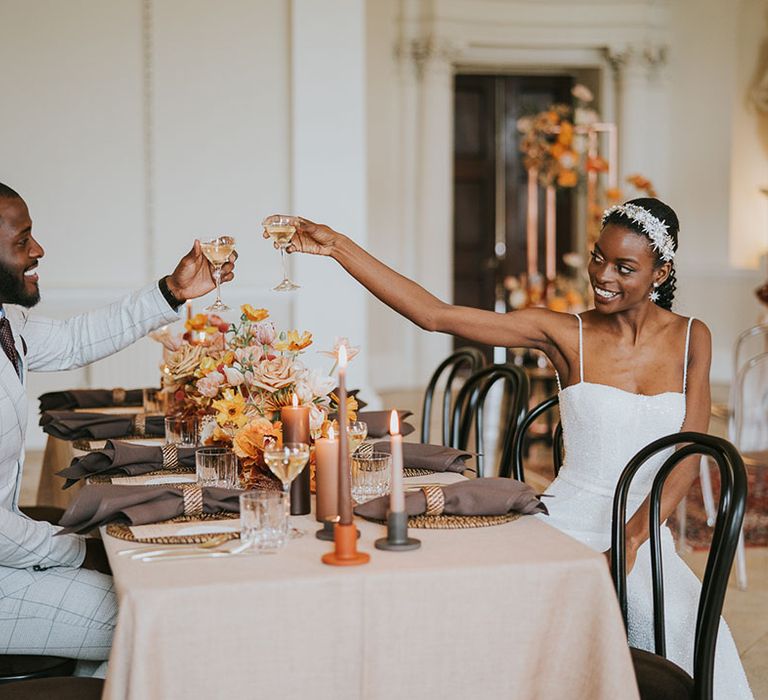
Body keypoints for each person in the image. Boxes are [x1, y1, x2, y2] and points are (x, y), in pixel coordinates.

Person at [266, 198, 753, 698]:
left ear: (661, 272)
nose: (603, 275)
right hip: (564, 524)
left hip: (644, 532)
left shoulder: (694, 337)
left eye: (625, 267)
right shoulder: (565, 332)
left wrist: (630, 541)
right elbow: (435, 316)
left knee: (681, 628)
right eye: (598, 257)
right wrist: (337, 247)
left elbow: (690, 454)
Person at [0, 182, 236, 676]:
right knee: (157, 614)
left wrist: (172, 291)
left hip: (10, 553)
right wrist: (80, 549)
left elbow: (71, 340)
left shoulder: (7, 321)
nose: (38, 250)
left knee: (146, 600)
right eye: (22, 241)